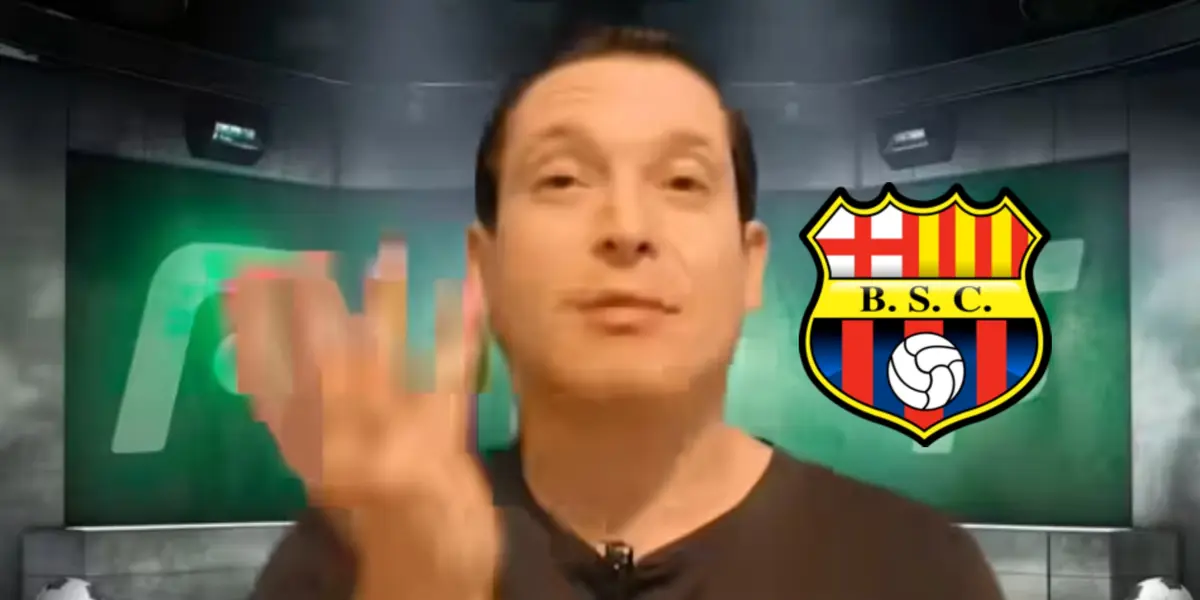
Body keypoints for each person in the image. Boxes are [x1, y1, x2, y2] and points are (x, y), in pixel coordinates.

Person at [234, 26, 1004, 600]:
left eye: (682, 182)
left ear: (750, 265)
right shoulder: (346, 560)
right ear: (484, 267)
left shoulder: (915, 569)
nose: (627, 227)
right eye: (564, 179)